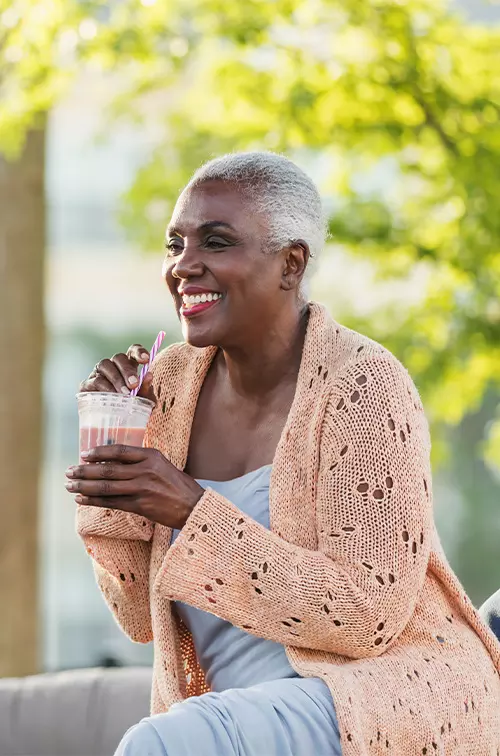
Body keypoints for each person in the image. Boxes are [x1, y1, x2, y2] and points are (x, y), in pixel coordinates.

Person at [67, 152, 500, 755]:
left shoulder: (362, 385)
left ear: (290, 264)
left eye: (215, 242)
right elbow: (139, 616)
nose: (183, 266)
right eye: (175, 244)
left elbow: (367, 614)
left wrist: (191, 510)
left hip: (372, 697)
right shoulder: (164, 388)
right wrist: (114, 472)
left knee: (161, 746)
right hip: (231, 710)